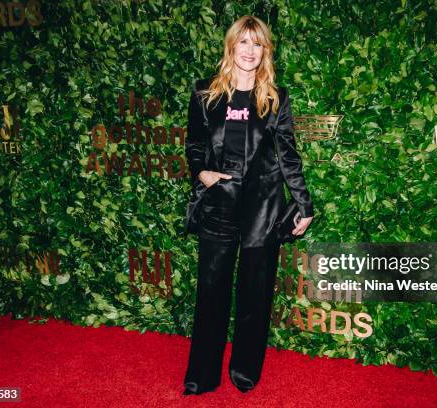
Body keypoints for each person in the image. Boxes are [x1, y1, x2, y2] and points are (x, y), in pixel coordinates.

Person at [183, 15, 314, 395]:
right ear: (231, 46)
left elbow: (288, 156)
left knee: (255, 294)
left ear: (265, 51)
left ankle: (244, 371)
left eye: (258, 44)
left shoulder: (275, 97)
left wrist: (303, 204)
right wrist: (202, 173)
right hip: (220, 203)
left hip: (263, 206)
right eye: (244, 42)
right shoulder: (205, 93)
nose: (250, 51)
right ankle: (202, 375)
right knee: (212, 291)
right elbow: (194, 143)